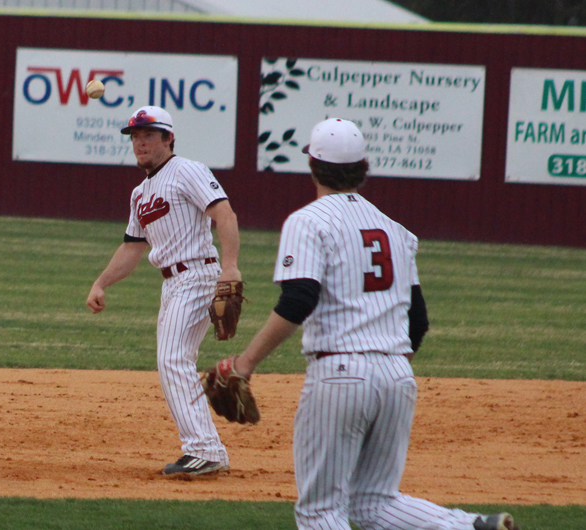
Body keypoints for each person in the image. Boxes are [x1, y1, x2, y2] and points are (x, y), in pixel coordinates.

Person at [223, 118, 520, 530]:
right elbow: (418, 321)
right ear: (363, 167)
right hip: (398, 375)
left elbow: (298, 300)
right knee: (374, 504)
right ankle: (469, 527)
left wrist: (245, 363)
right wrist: (385, 364)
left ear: (312, 165)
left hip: (340, 374)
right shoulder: (397, 231)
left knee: (320, 510)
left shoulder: (308, 221)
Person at [86, 105, 243, 476]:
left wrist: (231, 266)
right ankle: (206, 448)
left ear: (168, 138)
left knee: (172, 359)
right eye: (135, 137)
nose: (140, 143)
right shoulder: (141, 192)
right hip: (173, 284)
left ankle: (204, 449)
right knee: (175, 360)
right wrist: (101, 282)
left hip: (199, 275)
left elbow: (225, 214)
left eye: (148, 135)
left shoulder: (186, 170)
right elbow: (131, 248)